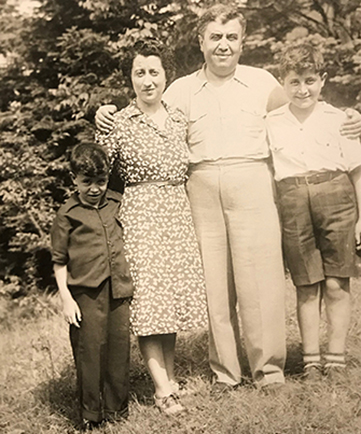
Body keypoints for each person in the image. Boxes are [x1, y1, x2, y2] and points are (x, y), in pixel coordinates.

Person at [95, 5, 361, 392]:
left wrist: (351, 115)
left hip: (252, 179)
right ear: (201, 42)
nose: (224, 45)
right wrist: (104, 111)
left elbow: (306, 108)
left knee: (261, 282)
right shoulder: (180, 89)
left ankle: (268, 370)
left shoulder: (264, 82)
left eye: (232, 37)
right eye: (215, 37)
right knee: (215, 286)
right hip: (200, 184)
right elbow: (146, 113)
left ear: (242, 41)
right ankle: (225, 372)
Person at [96, 39, 208, 414]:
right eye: (139, 73)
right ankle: (162, 390)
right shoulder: (120, 123)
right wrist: (98, 116)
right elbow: (94, 168)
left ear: (166, 76)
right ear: (131, 79)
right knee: (149, 304)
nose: (147, 81)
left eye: (153, 72)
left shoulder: (179, 120)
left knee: (170, 304)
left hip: (177, 213)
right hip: (141, 216)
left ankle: (170, 380)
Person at [266, 43, 361, 382]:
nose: (302, 89)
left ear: (322, 80)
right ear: (283, 83)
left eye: (309, 80)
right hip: (292, 199)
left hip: (336, 196)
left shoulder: (341, 119)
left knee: (336, 282)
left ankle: (335, 358)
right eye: (294, 82)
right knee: (306, 284)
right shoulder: (271, 122)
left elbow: (356, 170)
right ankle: (311, 360)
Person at [51, 143, 134, 429]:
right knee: (90, 354)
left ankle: (117, 411)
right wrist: (66, 299)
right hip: (85, 294)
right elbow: (59, 261)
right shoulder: (68, 213)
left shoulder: (117, 202)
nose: (95, 188)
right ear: (74, 178)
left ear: (108, 177)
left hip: (119, 290)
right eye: (87, 182)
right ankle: (91, 414)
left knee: (118, 351)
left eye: (100, 181)